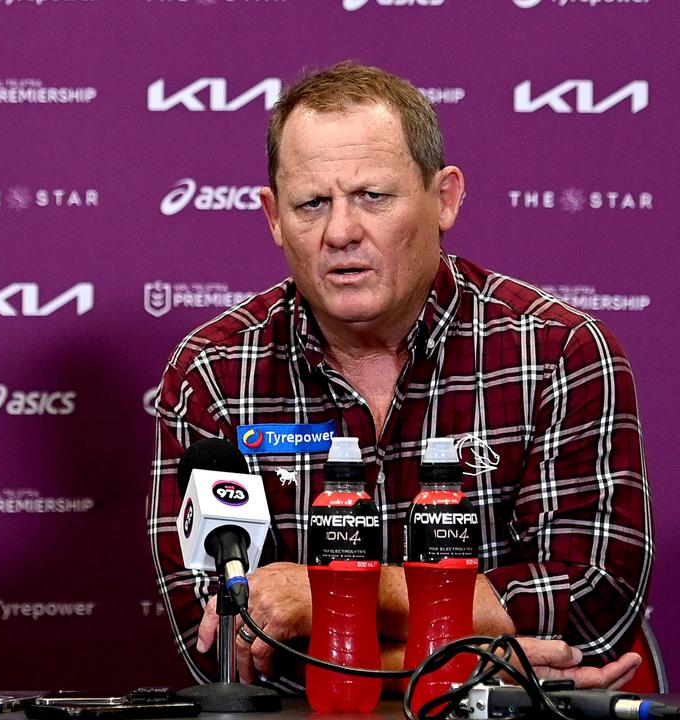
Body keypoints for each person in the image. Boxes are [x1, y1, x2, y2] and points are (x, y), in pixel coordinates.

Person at [149, 62, 651, 693]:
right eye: (312, 204)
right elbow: (225, 655)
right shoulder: (212, 373)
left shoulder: (559, 353)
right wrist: (479, 660)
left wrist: (317, 594)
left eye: (372, 197)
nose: (341, 232)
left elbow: (588, 606)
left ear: (444, 198)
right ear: (275, 218)